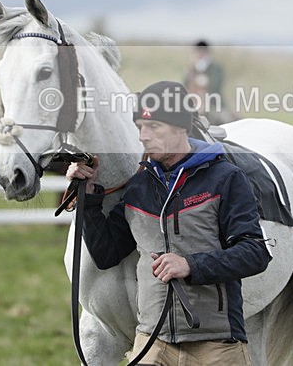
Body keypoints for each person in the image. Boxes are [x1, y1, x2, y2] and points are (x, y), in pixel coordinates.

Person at [67, 80, 270, 366]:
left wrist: (190, 265)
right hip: (152, 342)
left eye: (153, 127)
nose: (143, 137)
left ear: (180, 127)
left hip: (217, 344)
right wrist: (88, 198)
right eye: (139, 127)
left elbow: (255, 253)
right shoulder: (139, 187)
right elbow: (105, 253)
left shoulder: (226, 179)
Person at [183, 40, 234, 124]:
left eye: (203, 51)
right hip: (195, 100)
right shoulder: (191, 68)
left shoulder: (216, 68)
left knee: (225, 119)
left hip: (213, 101)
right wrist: (191, 70)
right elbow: (185, 85)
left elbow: (216, 86)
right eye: (198, 51)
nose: (200, 54)